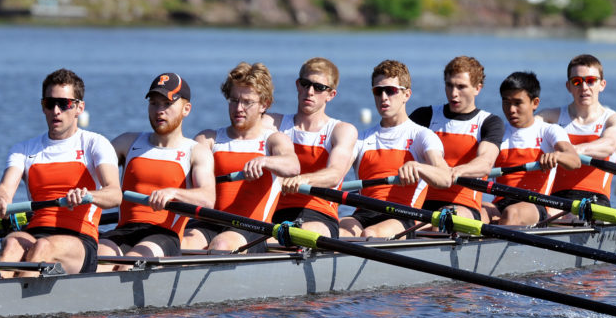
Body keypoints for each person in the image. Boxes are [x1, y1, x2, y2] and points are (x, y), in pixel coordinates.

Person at [0, 68, 122, 276]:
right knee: (12, 242)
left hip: (79, 240)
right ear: (43, 107)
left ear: (79, 107)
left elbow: (114, 194)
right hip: (36, 233)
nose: (56, 111)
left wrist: (88, 196)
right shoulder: (23, 149)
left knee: (43, 247)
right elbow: (6, 188)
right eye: (50, 104)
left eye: (64, 104)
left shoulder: (95, 144)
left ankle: (13, 302)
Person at [97, 72, 215, 268]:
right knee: (97, 261)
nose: (160, 110)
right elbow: (90, 168)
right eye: (154, 103)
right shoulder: (127, 143)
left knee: (128, 265)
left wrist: (173, 192)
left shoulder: (196, 152)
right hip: (125, 230)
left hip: (165, 236)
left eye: (167, 104)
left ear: (186, 109)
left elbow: (207, 199)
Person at [181, 62, 300, 253]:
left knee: (222, 244)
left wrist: (265, 161)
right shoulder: (208, 139)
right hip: (209, 223)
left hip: (253, 227)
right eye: (234, 100)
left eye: (247, 102)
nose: (239, 108)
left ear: (264, 105)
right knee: (180, 243)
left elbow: (293, 166)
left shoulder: (274, 140)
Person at [339, 59, 451, 239]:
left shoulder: (422, 136)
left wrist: (419, 167)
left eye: (390, 91)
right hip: (364, 213)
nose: (384, 97)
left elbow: (445, 178)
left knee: (371, 234)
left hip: (405, 215)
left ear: (406, 94)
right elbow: (336, 175)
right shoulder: (360, 138)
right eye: (378, 91)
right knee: (336, 231)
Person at [266, 57, 358, 237]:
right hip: (273, 212)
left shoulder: (341, 130)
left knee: (286, 236)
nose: (310, 92)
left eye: (319, 87)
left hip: (319, 216)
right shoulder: (273, 123)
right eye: (305, 84)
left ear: (331, 95)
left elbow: (335, 174)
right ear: (297, 85)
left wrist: (302, 179)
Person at [409, 55, 504, 223]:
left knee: (444, 217)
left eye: (461, 87)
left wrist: (457, 171)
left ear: (477, 88)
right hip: (420, 203)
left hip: (463, 206)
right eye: (449, 85)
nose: (453, 93)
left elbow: (485, 163)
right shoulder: (424, 116)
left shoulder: (489, 122)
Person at [482, 71, 580, 227]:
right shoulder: (497, 132)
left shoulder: (549, 131)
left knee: (511, 213)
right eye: (506, 102)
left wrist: (557, 156)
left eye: (518, 103)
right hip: (500, 203)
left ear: (535, 103)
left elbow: (574, 161)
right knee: (476, 213)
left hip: (536, 203)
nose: (511, 109)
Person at [537, 53, 616, 206]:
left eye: (591, 81)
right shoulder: (549, 117)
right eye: (577, 82)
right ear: (568, 86)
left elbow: (609, 145)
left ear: (602, 84)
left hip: (595, 202)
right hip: (555, 200)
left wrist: (569, 152)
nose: (584, 87)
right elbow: (523, 131)